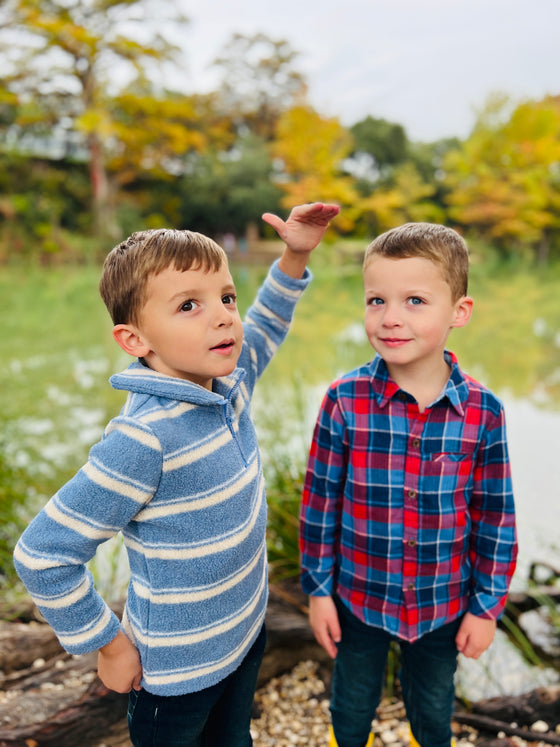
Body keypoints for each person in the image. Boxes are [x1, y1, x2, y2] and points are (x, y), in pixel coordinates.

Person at [14, 202, 339, 747]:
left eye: (226, 297)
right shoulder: (143, 440)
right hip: (177, 674)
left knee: (235, 738)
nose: (224, 316)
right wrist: (109, 645)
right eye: (190, 304)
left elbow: (265, 325)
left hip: (243, 634)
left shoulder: (228, 386)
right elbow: (43, 555)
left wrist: (295, 254)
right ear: (135, 341)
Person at [299, 222, 518, 747]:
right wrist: (318, 592)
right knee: (351, 703)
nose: (390, 317)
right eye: (376, 300)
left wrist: (487, 607)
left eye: (415, 300)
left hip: (443, 602)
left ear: (458, 312)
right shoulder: (344, 399)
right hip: (359, 596)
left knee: (433, 708)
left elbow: (496, 515)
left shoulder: (483, 412)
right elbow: (319, 504)